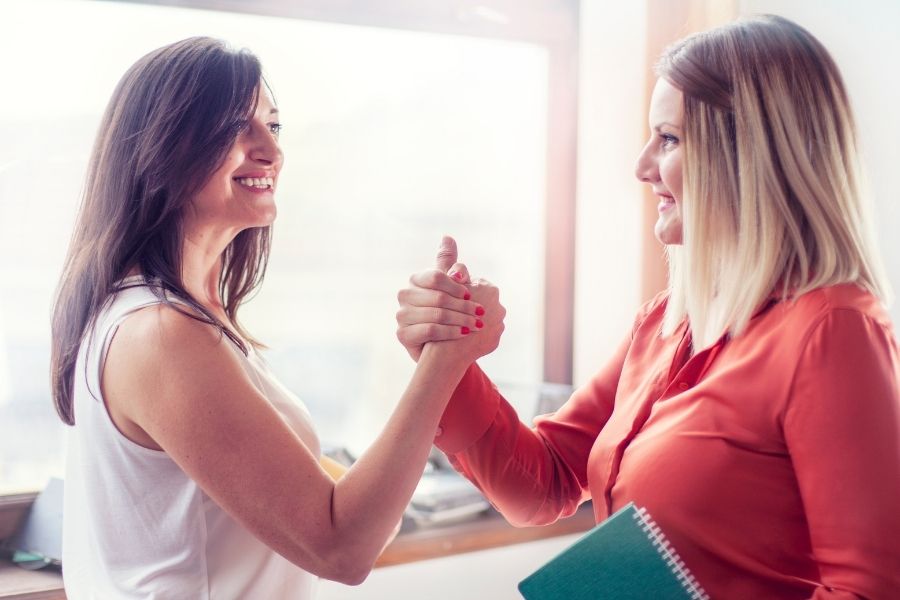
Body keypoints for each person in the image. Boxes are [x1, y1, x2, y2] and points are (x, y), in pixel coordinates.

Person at [395, 15, 900, 599]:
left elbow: (871, 591)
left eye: (668, 138)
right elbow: (545, 482)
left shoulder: (833, 332)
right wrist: (450, 360)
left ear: (749, 154)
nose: (640, 167)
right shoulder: (665, 322)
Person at [49, 37, 504, 599]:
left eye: (273, 125)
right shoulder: (161, 335)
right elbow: (341, 547)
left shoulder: (172, 316)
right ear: (162, 147)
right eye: (235, 126)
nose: (270, 150)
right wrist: (446, 357)